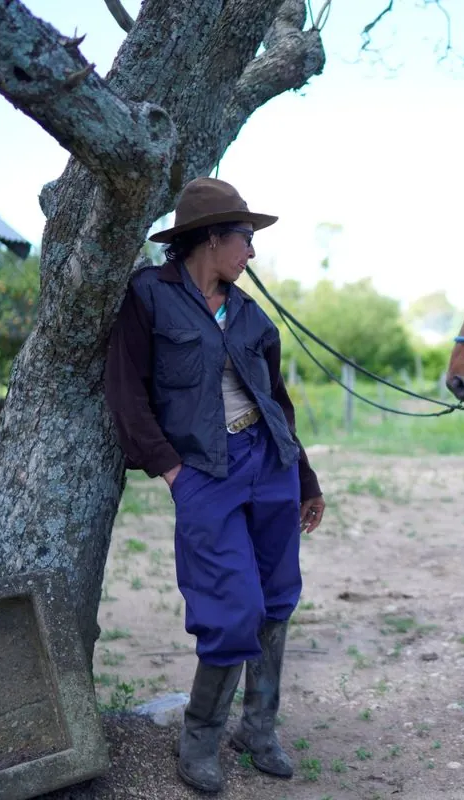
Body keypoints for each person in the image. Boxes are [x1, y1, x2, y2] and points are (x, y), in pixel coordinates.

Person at [104, 176, 325, 793]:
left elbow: (276, 399)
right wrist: (170, 469)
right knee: (232, 607)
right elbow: (126, 392)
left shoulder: (251, 315)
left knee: (277, 598)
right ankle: (199, 740)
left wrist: (304, 476)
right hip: (204, 470)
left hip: (269, 461)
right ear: (210, 239)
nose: (252, 254)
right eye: (245, 240)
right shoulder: (149, 297)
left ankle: (258, 730)